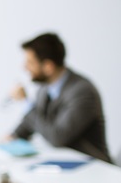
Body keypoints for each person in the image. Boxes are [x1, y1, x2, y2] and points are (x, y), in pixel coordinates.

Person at [7, 33, 112, 163]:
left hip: (93, 166)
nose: (24, 67)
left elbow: (57, 137)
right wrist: (14, 136)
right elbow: (33, 122)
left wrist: (25, 103)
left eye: (30, 62)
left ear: (48, 67)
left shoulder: (82, 91)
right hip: (63, 163)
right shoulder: (45, 89)